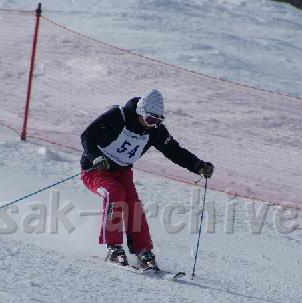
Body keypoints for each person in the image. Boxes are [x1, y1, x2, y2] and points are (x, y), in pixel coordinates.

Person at [80, 89, 214, 270]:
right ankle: (113, 247)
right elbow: (87, 135)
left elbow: (174, 151)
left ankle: (143, 251)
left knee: (133, 205)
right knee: (114, 193)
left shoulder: (155, 130)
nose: (153, 125)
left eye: (158, 121)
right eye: (150, 120)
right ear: (140, 112)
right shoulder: (118, 116)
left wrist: (198, 165)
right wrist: (95, 157)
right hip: (96, 169)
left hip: (122, 171)